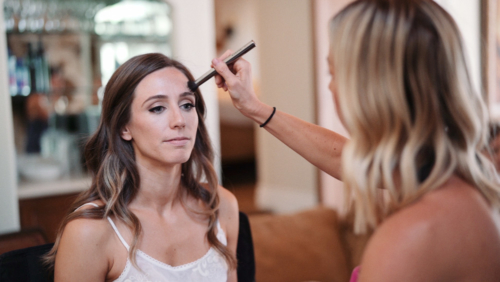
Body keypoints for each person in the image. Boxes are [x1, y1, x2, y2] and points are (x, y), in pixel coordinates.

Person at [212, 0, 500, 281]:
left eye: (333, 73)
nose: (330, 86)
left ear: (370, 89)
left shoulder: (410, 238)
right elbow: (343, 158)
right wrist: (253, 107)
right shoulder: (463, 181)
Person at [43, 53, 239, 282]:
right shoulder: (89, 231)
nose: (179, 120)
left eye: (187, 104)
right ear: (124, 127)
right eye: (157, 108)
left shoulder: (221, 206)